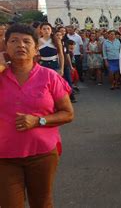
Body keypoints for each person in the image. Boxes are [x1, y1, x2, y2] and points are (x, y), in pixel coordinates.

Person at [0, 24, 74, 207]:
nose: (21, 45)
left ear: (35, 49)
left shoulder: (49, 77)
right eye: (14, 41)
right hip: (4, 157)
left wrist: (39, 120)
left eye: (27, 41)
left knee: (42, 203)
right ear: (5, 47)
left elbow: (68, 113)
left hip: (42, 154)